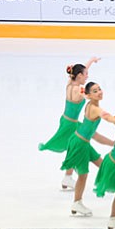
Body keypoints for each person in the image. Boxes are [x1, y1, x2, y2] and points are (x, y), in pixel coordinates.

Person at [39, 57, 101, 191]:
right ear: (79, 76)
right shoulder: (77, 90)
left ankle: (68, 176)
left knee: (72, 148)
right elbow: (88, 95)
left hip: (66, 120)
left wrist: (91, 61)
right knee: (76, 148)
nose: (87, 76)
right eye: (85, 75)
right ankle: (71, 175)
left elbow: (82, 71)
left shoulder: (70, 83)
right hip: (70, 125)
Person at [60, 81, 115, 217]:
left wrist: (112, 143)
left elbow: (95, 135)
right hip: (79, 144)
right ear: (88, 95)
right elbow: (107, 116)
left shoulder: (93, 107)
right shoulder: (94, 108)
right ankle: (77, 202)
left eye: (99, 89)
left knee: (103, 165)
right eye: (95, 91)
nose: (99, 92)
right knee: (83, 174)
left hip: (83, 142)